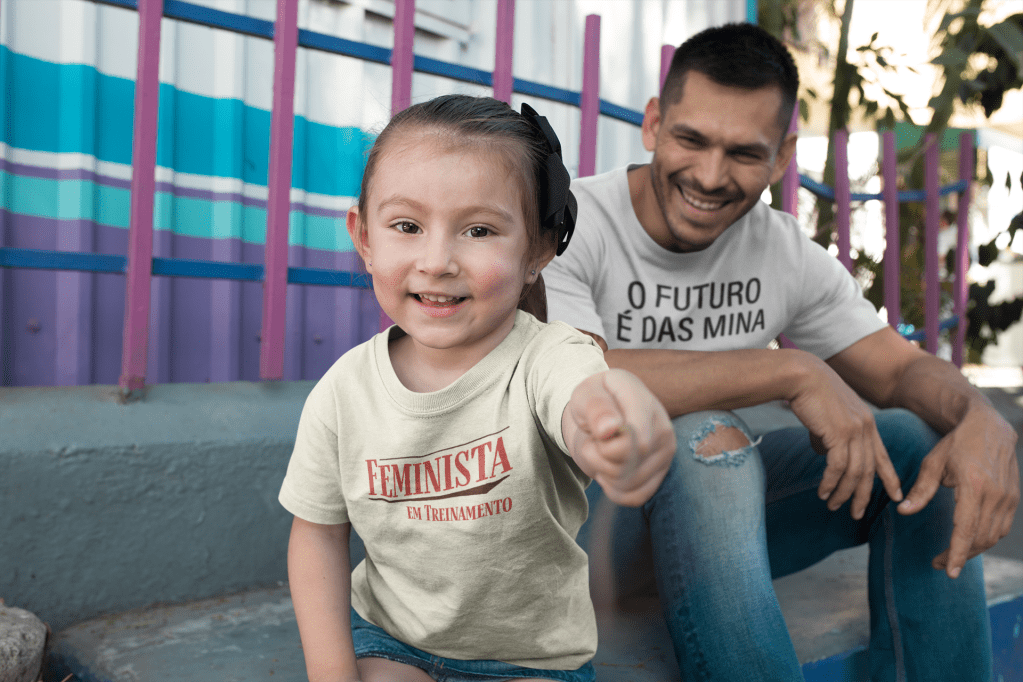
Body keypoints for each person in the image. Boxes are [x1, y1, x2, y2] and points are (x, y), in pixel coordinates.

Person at [543, 22, 1019, 682]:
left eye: (743, 153)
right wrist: (787, 369)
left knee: (915, 444)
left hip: (712, 539)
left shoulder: (782, 251)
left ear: (781, 155)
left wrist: (979, 420)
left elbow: (900, 367)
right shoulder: (570, 227)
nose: (709, 176)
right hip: (576, 534)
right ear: (653, 124)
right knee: (707, 438)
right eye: (690, 139)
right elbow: (576, 375)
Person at [278, 94, 676, 682]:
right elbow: (316, 536)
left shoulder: (547, 355)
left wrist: (614, 417)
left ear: (537, 250)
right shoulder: (343, 390)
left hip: (533, 660)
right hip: (393, 641)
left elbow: (583, 396)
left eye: (479, 229)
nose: (437, 261)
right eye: (407, 226)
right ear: (363, 237)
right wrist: (332, 674)